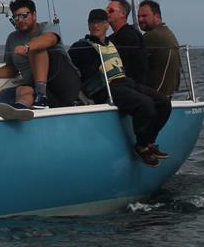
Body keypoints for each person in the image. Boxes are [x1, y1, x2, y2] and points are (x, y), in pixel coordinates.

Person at [69, 9, 172, 167]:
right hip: (105, 87)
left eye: (100, 22)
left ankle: (149, 141)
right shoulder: (82, 46)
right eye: (92, 22)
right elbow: (76, 68)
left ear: (107, 25)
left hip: (124, 82)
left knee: (164, 103)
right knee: (145, 105)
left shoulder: (112, 43)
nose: (96, 25)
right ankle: (141, 146)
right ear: (88, 25)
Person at [0, 0, 80, 109]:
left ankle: (41, 96)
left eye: (23, 15)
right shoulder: (12, 39)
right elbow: (12, 69)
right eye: (16, 17)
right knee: (22, 89)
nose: (19, 19)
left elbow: (50, 39)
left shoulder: (47, 27)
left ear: (34, 15)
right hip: (41, 91)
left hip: (65, 83)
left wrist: (27, 47)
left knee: (36, 46)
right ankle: (20, 108)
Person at [137, 0, 181, 96]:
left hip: (155, 96)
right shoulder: (168, 32)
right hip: (168, 94)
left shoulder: (152, 36)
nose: (140, 19)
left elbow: (132, 64)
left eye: (144, 16)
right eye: (138, 16)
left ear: (157, 17)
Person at [106, 0, 147, 84]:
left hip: (132, 87)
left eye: (110, 10)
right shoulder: (116, 36)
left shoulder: (129, 36)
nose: (106, 13)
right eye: (106, 10)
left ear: (123, 14)